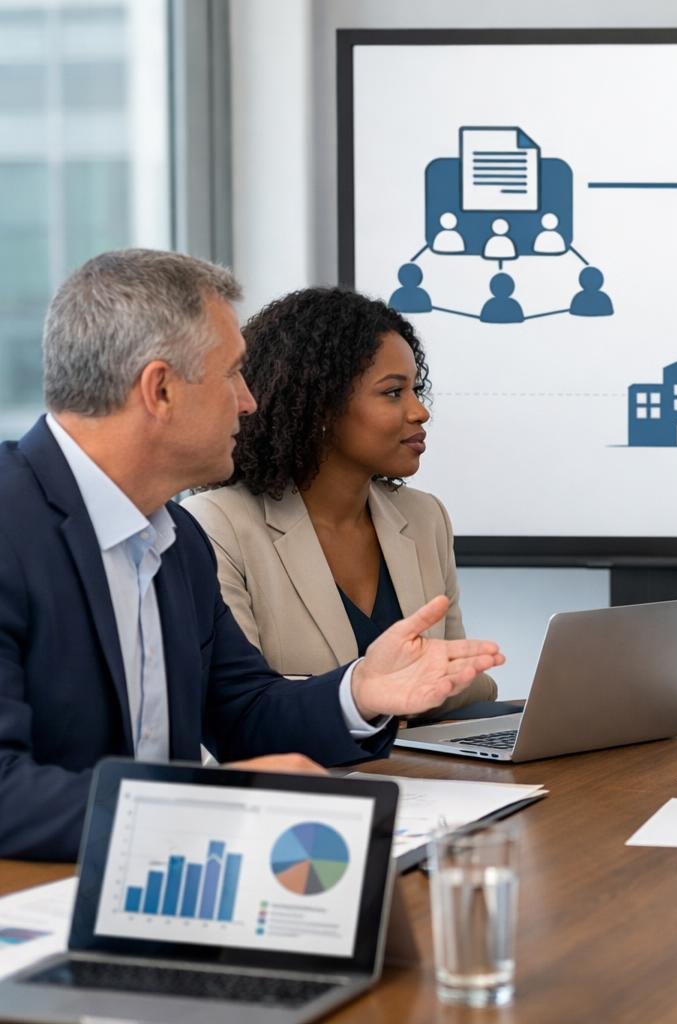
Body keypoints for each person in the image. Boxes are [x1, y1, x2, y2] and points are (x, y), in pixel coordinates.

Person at [0, 249, 504, 861]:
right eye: (232, 375)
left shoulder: (175, 541)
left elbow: (246, 714)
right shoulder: (13, 526)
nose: (250, 402)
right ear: (159, 389)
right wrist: (206, 804)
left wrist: (363, 691)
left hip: (168, 889)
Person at [182, 287, 497, 715]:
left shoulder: (425, 517)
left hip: (425, 774)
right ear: (321, 407)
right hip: (306, 777)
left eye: (415, 389)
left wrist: (451, 679)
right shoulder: (216, 526)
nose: (419, 411)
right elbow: (236, 708)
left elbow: (463, 683)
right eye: (392, 393)